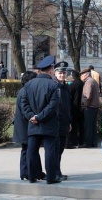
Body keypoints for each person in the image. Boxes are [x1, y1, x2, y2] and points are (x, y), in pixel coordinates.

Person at [21, 55, 61, 184]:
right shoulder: (53, 85)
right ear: (51, 70)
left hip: (33, 124)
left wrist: (31, 116)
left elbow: (24, 103)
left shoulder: (28, 85)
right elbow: (53, 106)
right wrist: (40, 116)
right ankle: (51, 177)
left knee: (32, 150)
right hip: (48, 123)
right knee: (50, 150)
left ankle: (32, 176)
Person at [13, 71, 45, 181]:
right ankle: (28, 172)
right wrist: (35, 118)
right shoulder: (25, 92)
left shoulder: (24, 90)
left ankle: (32, 172)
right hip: (26, 126)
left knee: (29, 150)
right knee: (29, 150)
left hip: (25, 125)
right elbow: (25, 109)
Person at [53, 61, 71, 180]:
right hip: (56, 122)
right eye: (60, 73)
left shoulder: (65, 87)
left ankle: (58, 170)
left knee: (61, 149)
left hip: (64, 122)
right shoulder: (54, 86)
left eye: (64, 73)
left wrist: (69, 121)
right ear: (55, 73)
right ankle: (55, 172)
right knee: (56, 149)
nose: (62, 75)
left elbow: (68, 106)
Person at [79, 67, 100, 148]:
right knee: (93, 126)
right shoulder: (93, 81)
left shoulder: (88, 82)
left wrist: (85, 105)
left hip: (90, 106)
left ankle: (88, 143)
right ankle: (93, 142)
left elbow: (88, 96)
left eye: (82, 75)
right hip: (94, 106)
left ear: (86, 75)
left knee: (88, 126)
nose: (81, 76)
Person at [68, 70, 84, 148]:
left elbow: (69, 96)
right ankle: (81, 140)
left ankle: (74, 141)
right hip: (81, 107)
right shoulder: (82, 83)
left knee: (73, 126)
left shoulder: (72, 85)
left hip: (74, 107)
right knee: (81, 125)